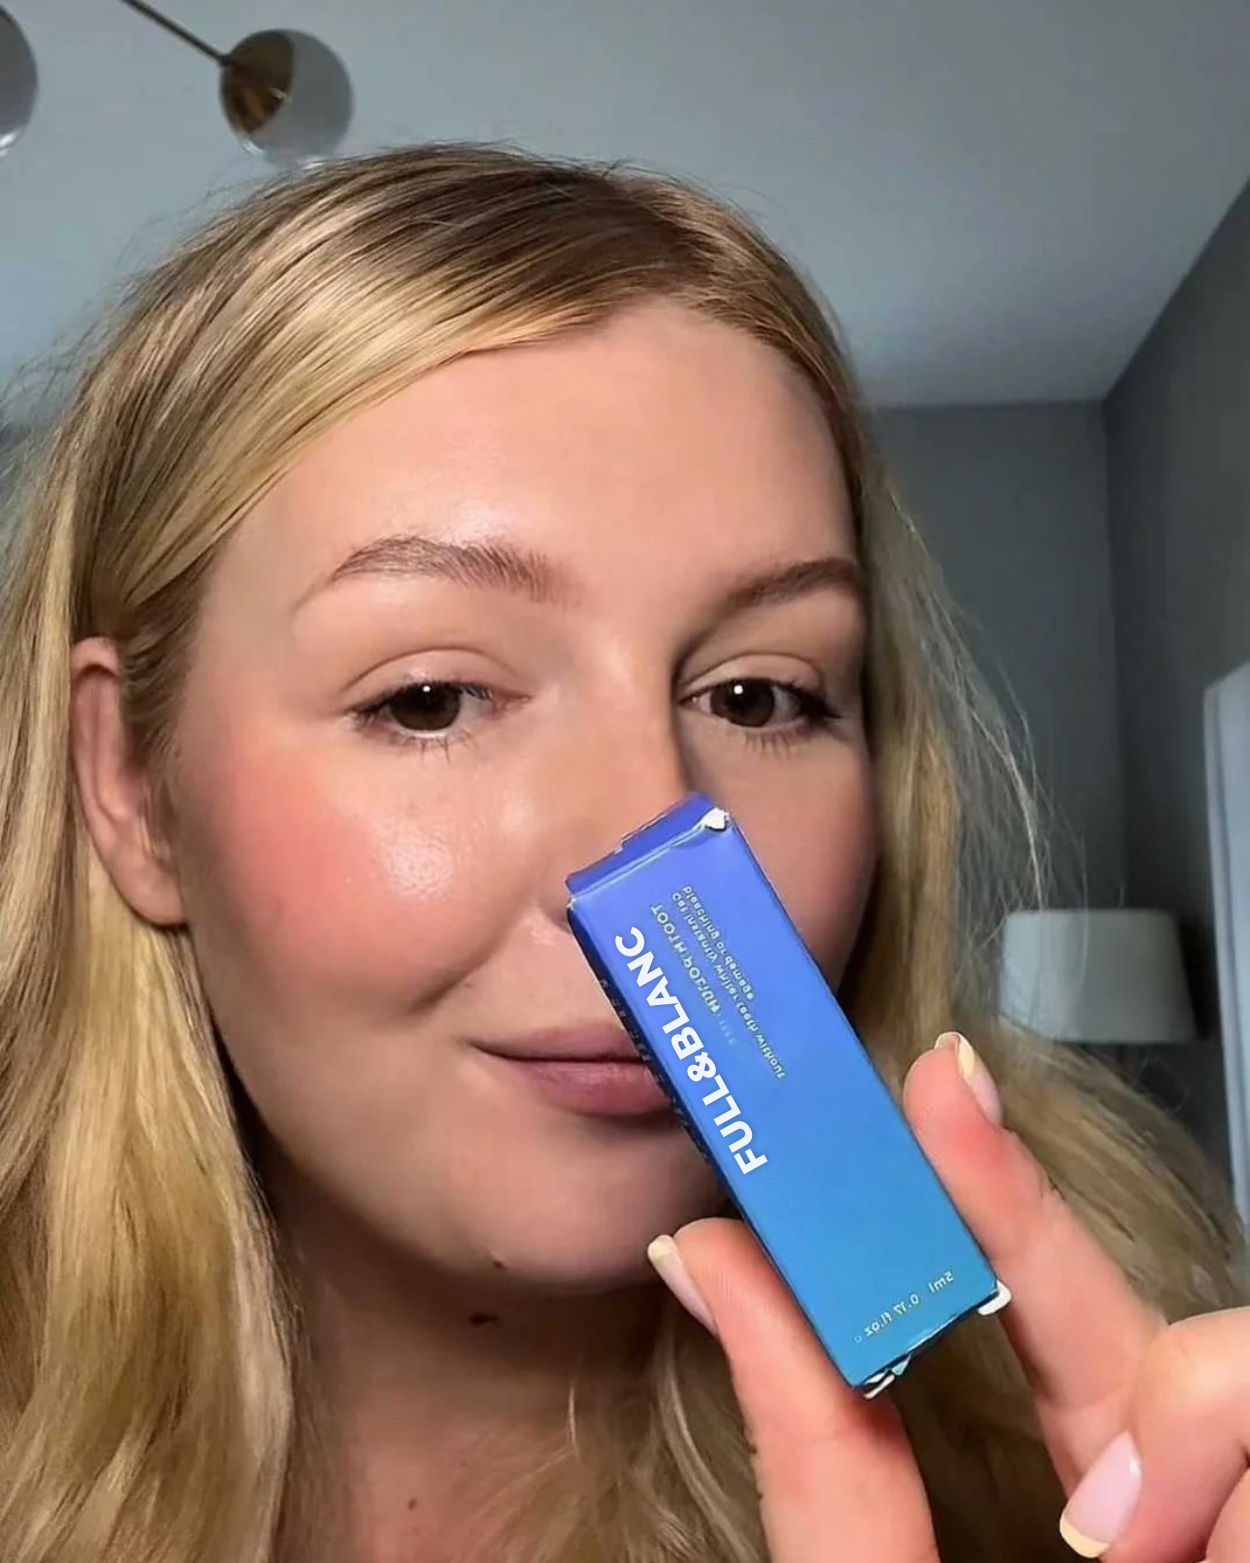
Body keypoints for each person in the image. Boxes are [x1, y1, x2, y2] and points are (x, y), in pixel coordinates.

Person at [0, 142, 1244, 1563]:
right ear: (133, 787)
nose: (651, 871)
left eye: (757, 697)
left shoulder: (1113, 1452)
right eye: (430, 698)